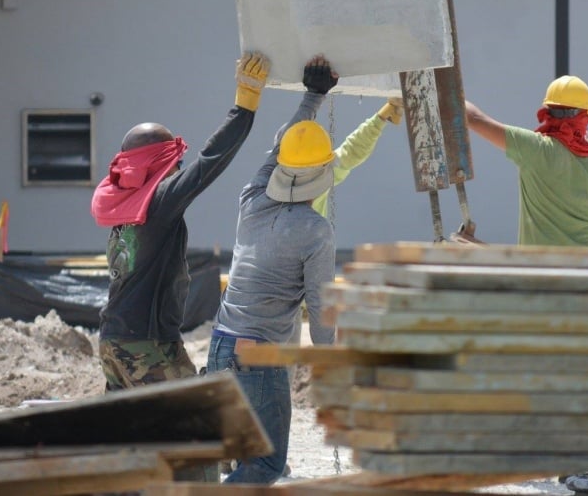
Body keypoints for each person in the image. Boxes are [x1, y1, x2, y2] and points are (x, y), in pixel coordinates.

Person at [91, 52, 269, 389]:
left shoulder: (127, 204)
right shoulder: (158, 200)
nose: (179, 169)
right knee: (202, 413)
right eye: (176, 161)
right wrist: (245, 106)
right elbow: (209, 162)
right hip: (147, 343)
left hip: (113, 340)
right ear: (162, 163)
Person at [208, 55, 339, 484]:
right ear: (324, 174)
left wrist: (313, 96)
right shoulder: (316, 232)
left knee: (254, 460)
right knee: (263, 466)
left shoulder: (252, 197)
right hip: (259, 358)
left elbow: (281, 144)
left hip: (220, 348)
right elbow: (321, 314)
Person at [464, 75, 588, 247]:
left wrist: (439, 87)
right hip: (585, 269)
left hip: (541, 270)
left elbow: (473, 118)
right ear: (587, 116)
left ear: (547, 112)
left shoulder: (535, 149)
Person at [311, 97, 403, 218]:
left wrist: (382, 116)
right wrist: (381, 117)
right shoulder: (316, 177)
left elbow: (352, 151)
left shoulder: (314, 177)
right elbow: (352, 151)